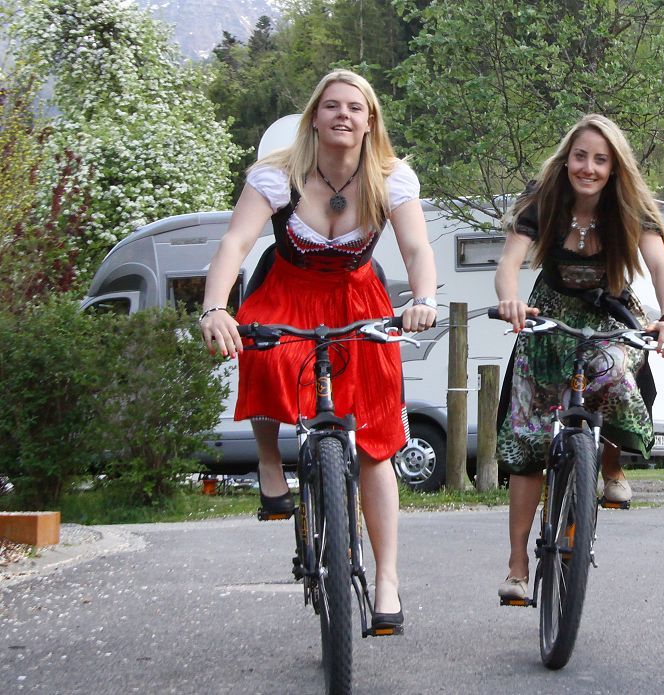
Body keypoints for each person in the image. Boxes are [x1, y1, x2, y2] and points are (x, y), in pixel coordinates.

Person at [200, 69, 437, 628]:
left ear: (370, 121)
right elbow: (236, 241)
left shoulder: (390, 178)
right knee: (259, 348)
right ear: (314, 117)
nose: (343, 115)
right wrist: (214, 308)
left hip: (357, 297)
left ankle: (387, 582)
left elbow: (416, 247)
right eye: (331, 106)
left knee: (375, 442)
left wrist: (424, 298)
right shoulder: (278, 175)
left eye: (355, 108)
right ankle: (269, 462)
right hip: (288, 289)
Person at [493, 114, 664, 600]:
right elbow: (509, 262)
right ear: (567, 160)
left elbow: (660, 265)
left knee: (613, 372)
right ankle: (517, 565)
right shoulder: (544, 198)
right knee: (528, 437)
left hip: (609, 314)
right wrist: (510, 300)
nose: (589, 168)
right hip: (549, 314)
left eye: (600, 160)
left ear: (614, 167)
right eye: (581, 156)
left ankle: (611, 466)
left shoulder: (629, 204)